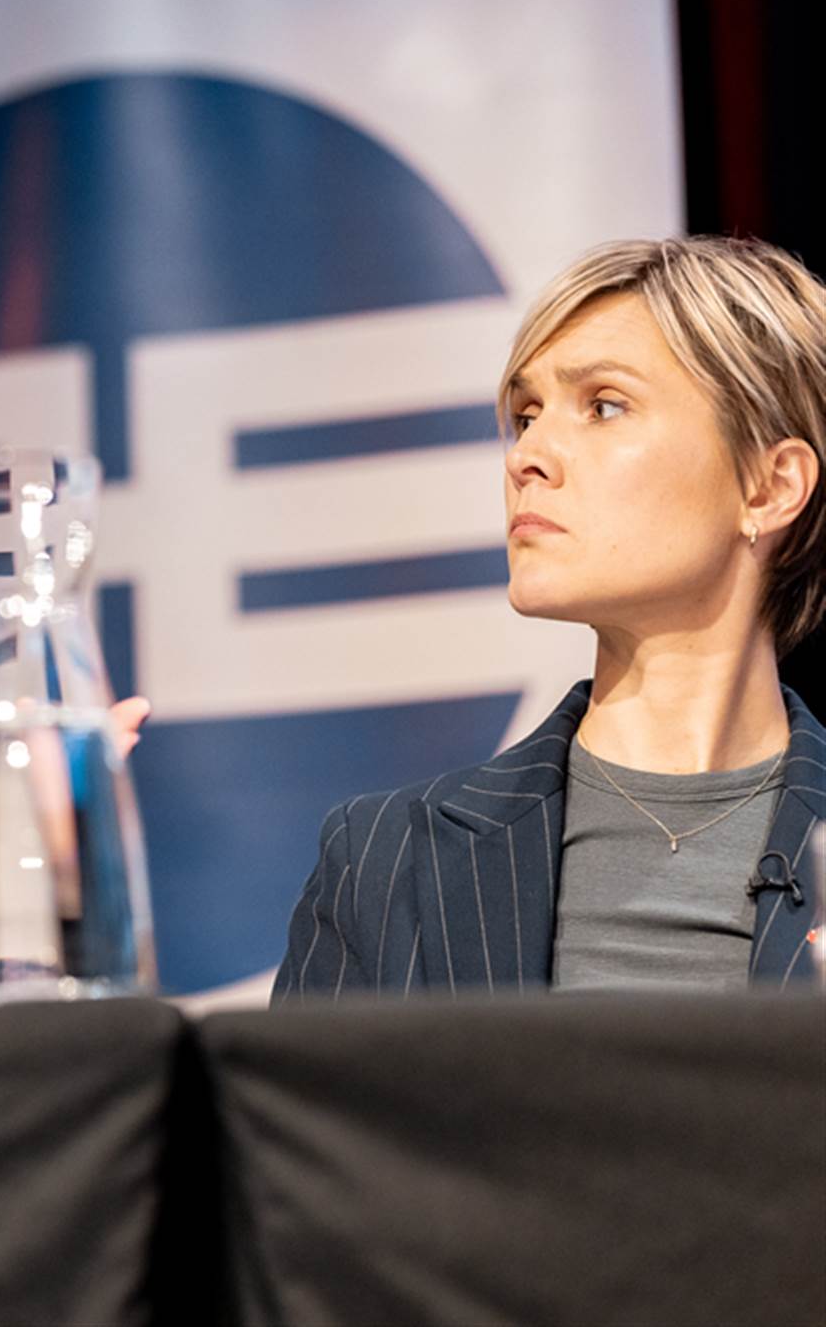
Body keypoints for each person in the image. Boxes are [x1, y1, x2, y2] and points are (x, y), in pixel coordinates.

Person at [275, 237, 824, 1000]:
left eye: (604, 405)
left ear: (770, 486)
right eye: (526, 415)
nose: (526, 455)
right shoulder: (384, 865)